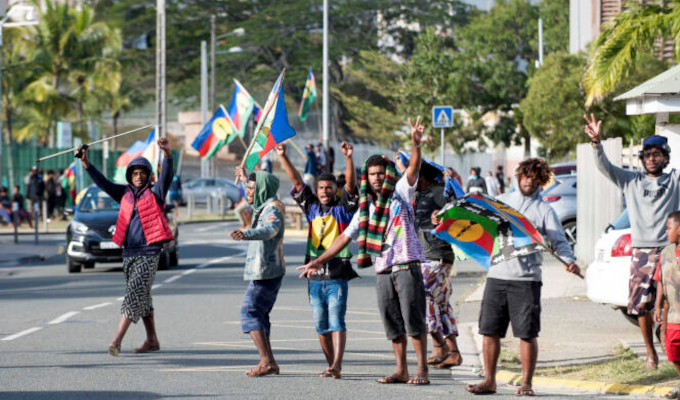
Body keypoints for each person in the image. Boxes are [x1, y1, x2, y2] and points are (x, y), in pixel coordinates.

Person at [298, 116, 431, 386]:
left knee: (413, 322)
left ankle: (422, 371)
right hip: (383, 270)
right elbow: (343, 238)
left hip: (407, 265)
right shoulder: (365, 208)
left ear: (388, 174)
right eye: (372, 174)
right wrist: (317, 261)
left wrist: (415, 144)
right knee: (393, 324)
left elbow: (414, 168)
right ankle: (401, 370)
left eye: (381, 173)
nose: (377, 178)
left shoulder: (401, 191)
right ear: (366, 178)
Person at [464, 158, 580, 396]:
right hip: (497, 275)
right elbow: (476, 222)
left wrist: (568, 261)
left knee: (527, 333)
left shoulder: (545, 210)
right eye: (526, 176)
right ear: (518, 176)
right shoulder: (502, 202)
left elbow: (559, 241)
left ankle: (526, 383)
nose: (529, 181)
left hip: (527, 280)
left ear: (540, 181)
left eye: (534, 177)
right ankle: (489, 381)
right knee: (489, 330)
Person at [585, 114, 680, 370]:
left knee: (675, 303)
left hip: (670, 252)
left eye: (657, 154)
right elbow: (605, 167)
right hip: (642, 252)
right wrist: (596, 143)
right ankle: (651, 353)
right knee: (640, 306)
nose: (651, 158)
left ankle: (668, 342)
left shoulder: (674, 181)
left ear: (666, 157)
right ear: (642, 158)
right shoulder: (631, 181)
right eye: (647, 154)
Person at [76, 138, 174, 357]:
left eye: (142, 173)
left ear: (148, 175)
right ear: (130, 176)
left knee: (133, 295)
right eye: (135, 173)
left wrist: (167, 154)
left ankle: (116, 340)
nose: (139, 176)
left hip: (149, 253)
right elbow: (102, 183)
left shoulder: (156, 193)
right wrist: (86, 163)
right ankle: (152, 339)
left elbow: (167, 176)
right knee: (144, 297)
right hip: (129, 253)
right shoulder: (123, 194)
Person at [276, 140, 358, 379]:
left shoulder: (344, 208)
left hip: (336, 275)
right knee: (321, 325)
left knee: (336, 320)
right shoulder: (311, 207)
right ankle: (330, 363)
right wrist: (283, 156)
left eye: (329, 187)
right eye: (321, 188)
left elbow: (351, 185)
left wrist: (349, 158)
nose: (324, 191)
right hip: (314, 278)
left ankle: (337, 365)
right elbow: (297, 182)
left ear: (335, 189)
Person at [395, 158, 463, 370]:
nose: (411, 178)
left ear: (422, 177)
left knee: (424, 300)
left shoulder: (437, 192)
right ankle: (454, 352)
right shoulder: (417, 193)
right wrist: (401, 162)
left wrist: (441, 215)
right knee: (441, 305)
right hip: (426, 256)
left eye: (414, 174)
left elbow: (458, 210)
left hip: (437, 256)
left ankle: (439, 347)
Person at [231, 166, 286, 377]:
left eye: (252, 188)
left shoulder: (272, 209)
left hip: (267, 271)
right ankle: (269, 361)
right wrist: (245, 178)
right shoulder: (264, 203)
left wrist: (247, 234)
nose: (248, 192)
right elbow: (253, 188)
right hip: (264, 269)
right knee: (260, 316)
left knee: (249, 311)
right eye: (248, 188)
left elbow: (269, 230)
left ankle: (266, 361)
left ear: (262, 189)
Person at [654, 211, 680, 399]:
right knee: (672, 353)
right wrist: (657, 306)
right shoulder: (666, 253)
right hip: (673, 315)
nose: (666, 232)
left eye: (669, 228)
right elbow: (661, 281)